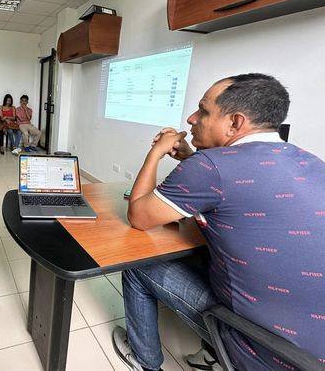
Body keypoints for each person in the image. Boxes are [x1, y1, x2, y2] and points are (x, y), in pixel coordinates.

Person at [111, 74, 325, 371]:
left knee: (138, 266)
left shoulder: (209, 166)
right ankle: (210, 355)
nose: (191, 118)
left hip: (264, 352)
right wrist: (191, 159)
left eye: (203, 110)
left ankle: (144, 361)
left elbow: (139, 216)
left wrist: (156, 152)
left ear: (235, 122)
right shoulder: (311, 162)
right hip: (312, 351)